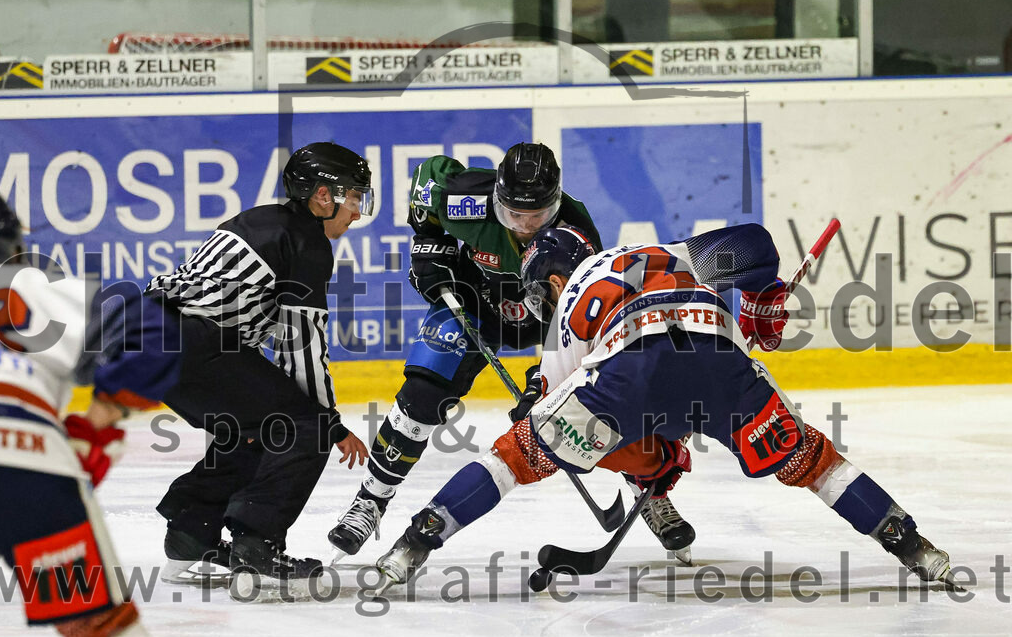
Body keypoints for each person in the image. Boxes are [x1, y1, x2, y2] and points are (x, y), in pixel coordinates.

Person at [374, 224, 956, 589]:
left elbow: (542, 412)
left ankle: (419, 540)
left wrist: (629, 449)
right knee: (812, 461)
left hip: (631, 368)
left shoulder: (571, 300)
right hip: (723, 361)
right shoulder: (665, 251)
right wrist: (760, 303)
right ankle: (912, 546)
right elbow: (755, 243)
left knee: (517, 457)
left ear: (551, 281)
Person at [326, 142, 605, 559]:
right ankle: (370, 500)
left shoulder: (577, 235)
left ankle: (654, 492)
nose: (526, 226)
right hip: (472, 299)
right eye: (514, 214)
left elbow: (581, 326)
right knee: (422, 394)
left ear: (557, 204)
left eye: (538, 216)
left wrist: (541, 382)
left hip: (546, 319)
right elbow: (427, 179)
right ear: (496, 199)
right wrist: (428, 242)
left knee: (601, 394)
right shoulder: (467, 200)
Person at [146, 142, 371, 599]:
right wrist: (328, 422)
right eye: (354, 197)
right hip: (190, 342)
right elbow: (300, 346)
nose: (358, 212)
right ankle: (256, 544)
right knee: (301, 426)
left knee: (251, 430)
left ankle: (191, 538)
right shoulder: (306, 244)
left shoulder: (266, 219)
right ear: (323, 196)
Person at [0, 191, 175, 637]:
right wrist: (102, 413)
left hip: (28, 463)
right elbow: (155, 336)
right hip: (29, 464)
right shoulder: (28, 287)